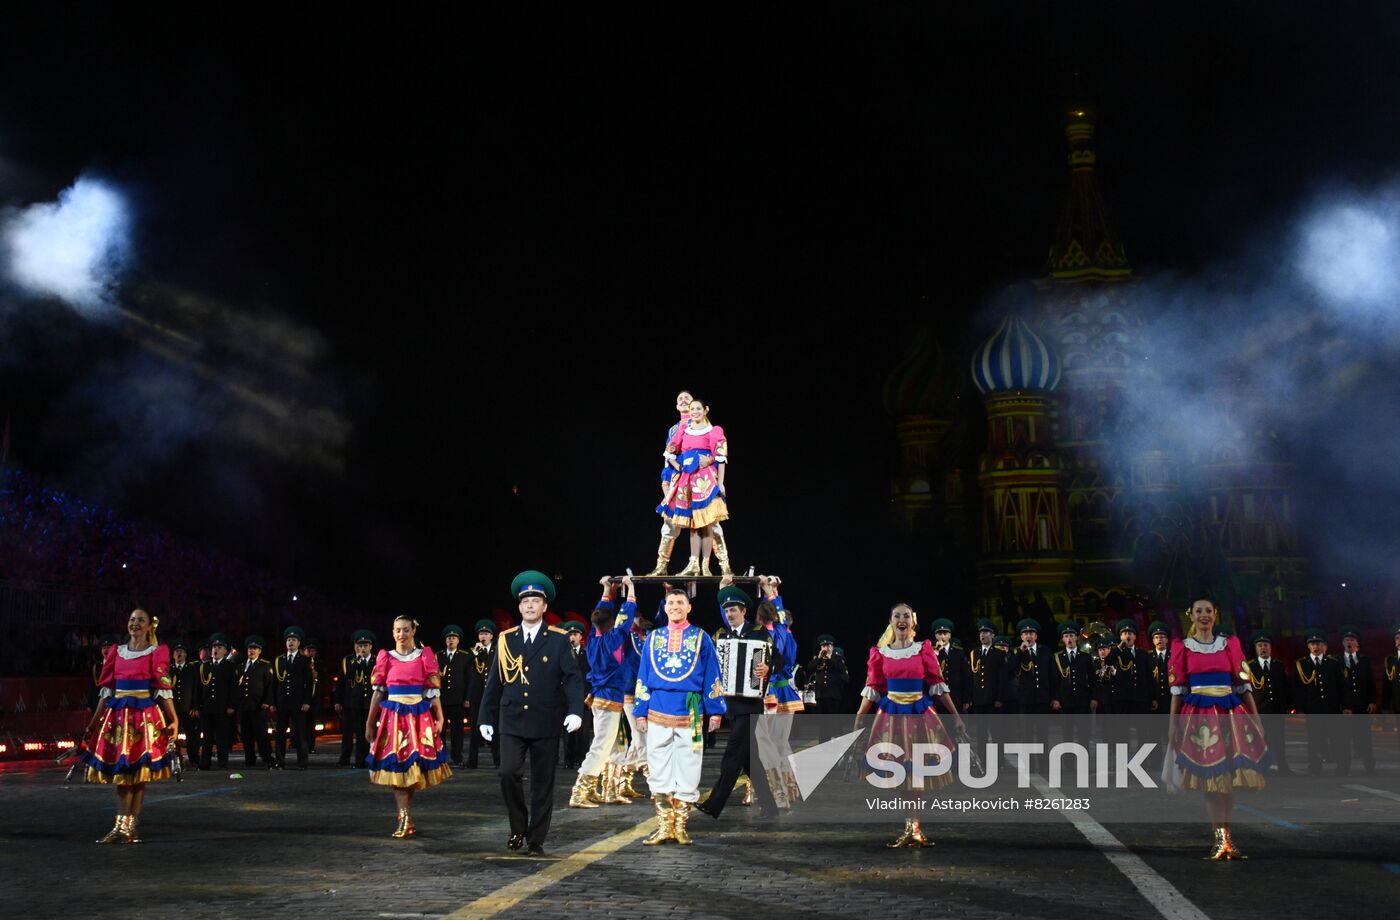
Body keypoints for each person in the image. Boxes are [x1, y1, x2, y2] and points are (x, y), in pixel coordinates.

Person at [478, 571, 587, 857]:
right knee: (507, 772)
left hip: (546, 719)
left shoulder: (558, 639)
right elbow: (495, 681)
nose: (529, 605)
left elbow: (573, 678)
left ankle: (536, 838)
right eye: (525, 600)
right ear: (519, 606)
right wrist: (485, 717)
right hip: (511, 719)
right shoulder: (506, 639)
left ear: (544, 606)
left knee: (542, 781)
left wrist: (576, 710)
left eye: (535, 600)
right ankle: (518, 826)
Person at [852, 602, 965, 847]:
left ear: (913, 621)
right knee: (899, 772)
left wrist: (955, 716)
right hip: (890, 717)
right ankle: (908, 826)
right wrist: (860, 716)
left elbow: (937, 684)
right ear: (891, 621)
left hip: (919, 714)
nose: (901, 620)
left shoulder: (923, 649)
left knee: (917, 772)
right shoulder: (880, 653)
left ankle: (915, 827)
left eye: (906, 616)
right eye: (896, 616)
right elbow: (873, 687)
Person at [1167, 596, 1271, 860]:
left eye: (1209, 611)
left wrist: (1256, 719)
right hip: (1198, 717)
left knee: (1227, 783)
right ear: (1190, 614)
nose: (1204, 615)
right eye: (1199, 611)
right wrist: (1172, 726)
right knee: (1212, 783)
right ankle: (1219, 839)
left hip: (1230, 715)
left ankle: (1227, 839)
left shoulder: (1230, 644)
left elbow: (1244, 685)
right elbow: (1177, 691)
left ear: (1216, 615)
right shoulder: (1182, 647)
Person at [634, 586, 727, 845]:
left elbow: (712, 674)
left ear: (689, 607)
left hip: (692, 711)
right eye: (671, 602)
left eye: (679, 602)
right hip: (657, 709)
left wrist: (716, 711)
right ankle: (665, 826)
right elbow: (643, 675)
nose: (675, 606)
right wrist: (640, 711)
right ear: (665, 607)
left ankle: (681, 826)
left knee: (689, 766)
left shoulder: (701, 637)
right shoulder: (653, 638)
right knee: (659, 767)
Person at [80, 608, 177, 843]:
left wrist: (174, 718)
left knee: (138, 775)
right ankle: (121, 826)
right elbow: (106, 692)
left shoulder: (156, 652)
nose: (135, 624)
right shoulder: (116, 652)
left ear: (148, 626)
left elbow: (163, 689)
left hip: (144, 718)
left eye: (140, 620)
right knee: (123, 776)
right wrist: (93, 724)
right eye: (132, 619)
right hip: (118, 718)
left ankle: (130, 827)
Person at [696, 580, 778, 820]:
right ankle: (770, 806)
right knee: (750, 760)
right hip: (730, 703)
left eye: (734, 609)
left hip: (751, 705)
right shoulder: (720, 636)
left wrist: (767, 668)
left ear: (744, 611)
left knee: (732, 754)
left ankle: (714, 804)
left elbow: (778, 660)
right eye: (726, 610)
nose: (729, 613)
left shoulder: (759, 633)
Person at [365, 616, 452, 836]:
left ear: (413, 631)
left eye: (405, 630)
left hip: (417, 718)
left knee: (411, 771)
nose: (401, 634)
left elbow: (432, 692)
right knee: (398, 769)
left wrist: (440, 718)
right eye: (397, 630)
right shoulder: (386, 658)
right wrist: (369, 723)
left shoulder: (425, 657)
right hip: (392, 718)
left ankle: (406, 816)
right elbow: (378, 693)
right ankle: (404, 817)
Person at [568, 576, 636, 806]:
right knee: (600, 746)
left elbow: (601, 615)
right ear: (612, 624)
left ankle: (607, 790)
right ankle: (579, 791)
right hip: (608, 699)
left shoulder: (593, 640)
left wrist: (608, 590)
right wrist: (630, 588)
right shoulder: (614, 639)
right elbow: (626, 618)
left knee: (614, 745)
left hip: (601, 699)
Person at [652, 398, 730, 577]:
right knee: (688, 524)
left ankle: (715, 566)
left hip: (704, 480)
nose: (693, 410)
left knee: (710, 524)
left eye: (697, 408)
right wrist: (676, 470)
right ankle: (685, 564)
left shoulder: (714, 430)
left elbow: (719, 456)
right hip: (685, 479)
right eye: (690, 407)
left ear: (705, 410)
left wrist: (719, 480)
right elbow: (669, 453)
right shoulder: (680, 429)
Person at [757, 577, 803, 806]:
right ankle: (790, 787)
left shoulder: (766, 635)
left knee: (765, 743)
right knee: (780, 743)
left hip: (771, 691)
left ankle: (777, 792)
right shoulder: (785, 632)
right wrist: (772, 591)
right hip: (787, 692)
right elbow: (781, 616)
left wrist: (769, 591)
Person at [1290, 627, 1342, 775]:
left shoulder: (1333, 663)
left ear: (1324, 645)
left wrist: (1344, 705)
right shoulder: (1301, 664)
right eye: (1312, 644)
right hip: (1312, 708)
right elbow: (1298, 689)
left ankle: (1339, 764)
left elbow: (1340, 685)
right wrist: (1299, 708)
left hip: (1331, 707)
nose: (1315, 647)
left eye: (1318, 643)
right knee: (1314, 738)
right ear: (1308, 646)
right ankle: (1315, 764)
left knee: (1335, 737)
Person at [1245, 633, 1292, 774]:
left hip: (1277, 708)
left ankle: (1283, 766)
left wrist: (1288, 706)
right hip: (1259, 709)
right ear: (1256, 649)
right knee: (1260, 739)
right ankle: (1260, 766)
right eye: (1260, 646)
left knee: (1279, 739)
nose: (1263, 648)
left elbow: (1285, 687)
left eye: (1266, 645)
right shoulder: (1250, 666)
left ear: (1271, 648)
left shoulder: (1278, 665)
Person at [1010, 618, 1052, 773]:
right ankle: (1029, 765)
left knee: (1042, 734)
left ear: (1036, 636)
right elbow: (1011, 671)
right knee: (1026, 735)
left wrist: (1054, 697)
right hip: (1025, 700)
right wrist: (1020, 652)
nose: (1028, 636)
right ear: (1021, 637)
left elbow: (1052, 675)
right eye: (1025, 633)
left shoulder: (1045, 651)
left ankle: (1044, 766)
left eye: (1031, 633)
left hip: (1042, 699)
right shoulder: (1017, 653)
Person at [191, 633, 235, 769]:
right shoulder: (204, 666)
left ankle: (223, 763)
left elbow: (234, 688)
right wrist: (197, 706)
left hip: (222, 708)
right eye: (214, 647)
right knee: (207, 738)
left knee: (222, 737)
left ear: (225, 651)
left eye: (219, 647)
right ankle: (205, 763)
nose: (215, 650)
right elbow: (198, 689)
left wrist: (231, 705)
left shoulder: (229, 666)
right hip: (207, 708)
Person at [1337, 625, 1376, 775]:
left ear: (1357, 643)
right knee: (1343, 741)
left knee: (1364, 740)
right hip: (1345, 708)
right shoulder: (1337, 661)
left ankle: (1370, 767)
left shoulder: (1364, 660)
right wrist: (1341, 706)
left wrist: (1372, 701)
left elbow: (1371, 683)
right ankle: (1343, 768)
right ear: (1342, 643)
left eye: (1352, 640)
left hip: (1362, 707)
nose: (1349, 642)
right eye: (1346, 640)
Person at [234, 636, 276, 768]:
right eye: (250, 648)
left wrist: (267, 701)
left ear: (259, 651)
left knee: (261, 734)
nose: (251, 651)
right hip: (244, 706)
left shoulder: (264, 665)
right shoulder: (241, 666)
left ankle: (267, 757)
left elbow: (270, 685)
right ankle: (249, 759)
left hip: (258, 705)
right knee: (246, 735)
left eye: (254, 649)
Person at [336, 629, 375, 768]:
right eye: (360, 645)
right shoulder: (349, 660)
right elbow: (344, 680)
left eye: (365, 645)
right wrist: (338, 700)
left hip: (370, 703)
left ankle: (368, 759)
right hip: (354, 703)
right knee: (355, 732)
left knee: (368, 732)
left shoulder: (376, 661)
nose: (362, 648)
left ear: (370, 646)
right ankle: (356, 760)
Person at [1051, 620, 1092, 748]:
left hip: (1082, 701)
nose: (1069, 639)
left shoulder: (1085, 657)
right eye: (1066, 636)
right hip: (1065, 701)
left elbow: (1092, 679)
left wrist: (1094, 697)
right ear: (1063, 639)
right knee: (1067, 735)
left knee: (1084, 734)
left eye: (1072, 635)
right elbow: (1054, 680)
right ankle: (1068, 764)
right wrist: (1056, 699)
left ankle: (1083, 762)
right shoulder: (1057, 657)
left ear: (1077, 638)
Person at [967, 618, 1006, 748]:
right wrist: (970, 698)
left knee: (997, 733)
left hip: (993, 699)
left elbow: (1002, 678)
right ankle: (983, 761)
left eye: (986, 632)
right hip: (979, 699)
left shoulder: (999, 653)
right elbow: (972, 677)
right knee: (980, 732)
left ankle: (999, 761)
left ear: (993, 635)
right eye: (981, 632)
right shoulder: (974, 653)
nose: (983, 635)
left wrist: (1000, 698)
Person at [466, 619, 499, 769]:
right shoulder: (474, 651)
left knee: (495, 729)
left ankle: (498, 760)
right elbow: (464, 667)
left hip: (492, 696)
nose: (483, 636)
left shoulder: (497, 650)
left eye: (486, 633)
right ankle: (472, 761)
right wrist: (474, 653)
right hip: (477, 696)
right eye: (481, 634)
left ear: (491, 636)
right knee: (474, 730)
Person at [806, 633, 849, 742]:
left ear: (832, 647)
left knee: (831, 722)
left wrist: (830, 658)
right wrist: (819, 658)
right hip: (821, 695)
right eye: (824, 646)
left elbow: (840, 669)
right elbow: (809, 668)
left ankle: (831, 742)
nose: (826, 648)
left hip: (833, 695)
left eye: (828, 646)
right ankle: (823, 742)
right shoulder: (819, 659)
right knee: (822, 722)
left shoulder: (837, 658)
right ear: (821, 647)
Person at [439, 624, 471, 767]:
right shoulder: (438, 656)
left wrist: (467, 698)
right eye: (449, 638)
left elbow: (468, 679)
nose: (451, 640)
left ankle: (457, 757)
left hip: (458, 700)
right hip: (441, 699)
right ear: (445, 641)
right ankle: (440, 756)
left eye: (454, 638)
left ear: (458, 641)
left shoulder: (464, 656)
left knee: (457, 731)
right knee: (440, 730)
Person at [562, 621, 593, 770]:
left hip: (584, 697)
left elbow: (592, 676)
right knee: (568, 731)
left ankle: (582, 758)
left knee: (584, 731)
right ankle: (569, 759)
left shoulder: (587, 655)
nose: (572, 637)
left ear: (581, 636)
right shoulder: (562, 654)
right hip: (566, 698)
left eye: (575, 634)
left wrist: (591, 695)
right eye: (569, 634)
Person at [932, 619, 971, 714]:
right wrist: (936, 652)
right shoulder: (931, 653)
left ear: (950, 635)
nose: (942, 636)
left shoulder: (959, 652)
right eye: (939, 634)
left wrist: (966, 699)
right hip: (938, 698)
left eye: (945, 633)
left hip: (956, 697)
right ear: (936, 636)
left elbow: (966, 677)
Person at [169, 640, 197, 770]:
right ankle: (174, 760)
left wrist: (195, 706)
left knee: (191, 736)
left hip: (187, 708)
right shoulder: (169, 669)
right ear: (173, 655)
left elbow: (196, 689)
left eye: (181, 651)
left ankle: (194, 760)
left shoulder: (191, 669)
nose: (179, 653)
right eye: (176, 652)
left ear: (185, 654)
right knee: (172, 736)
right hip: (173, 708)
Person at [303, 638, 322, 754]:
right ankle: (298, 743)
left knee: (311, 723)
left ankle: (311, 745)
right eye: (308, 650)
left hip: (314, 698)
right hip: (302, 697)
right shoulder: (300, 662)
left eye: (312, 650)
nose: (310, 652)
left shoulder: (319, 663)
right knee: (300, 723)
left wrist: (316, 675)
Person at [1386, 625, 1400, 752]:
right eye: (1397, 638)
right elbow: (1388, 685)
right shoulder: (1390, 660)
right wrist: (1386, 707)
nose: (1399, 640)